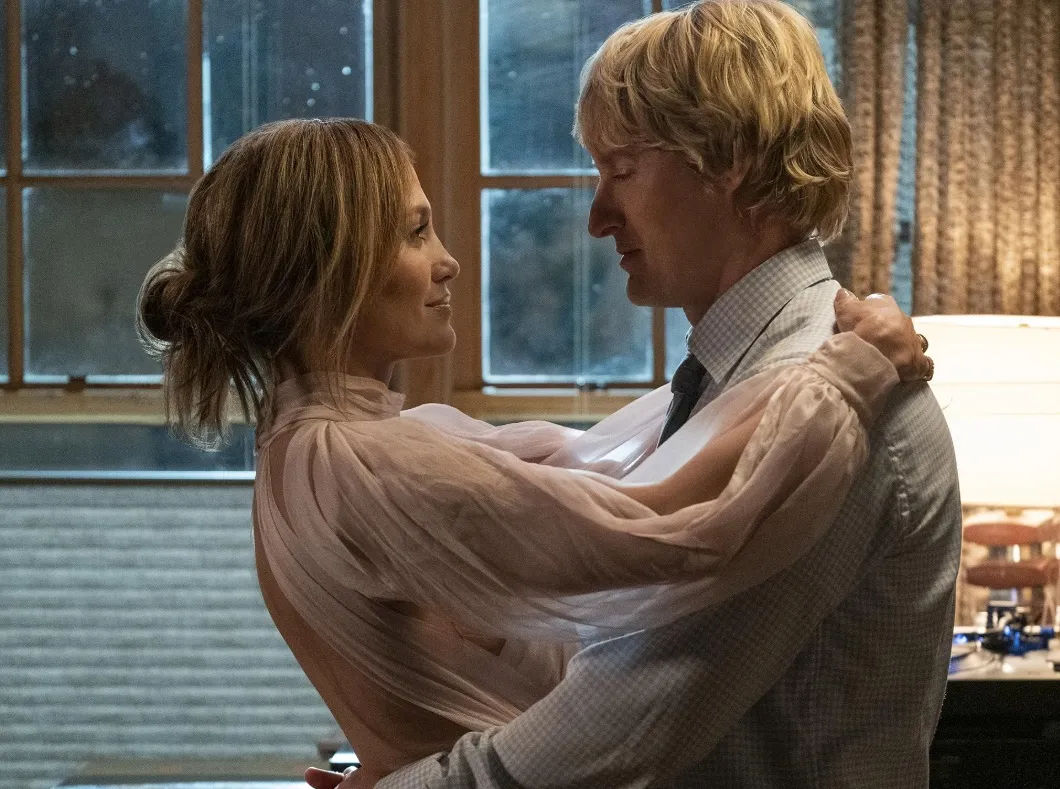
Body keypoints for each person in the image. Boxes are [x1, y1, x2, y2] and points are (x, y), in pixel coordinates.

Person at [136, 114, 932, 788]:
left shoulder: (306, 453)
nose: (447, 260)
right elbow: (659, 523)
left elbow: (604, 467)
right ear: (325, 271)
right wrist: (854, 373)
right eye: (415, 232)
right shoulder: (357, 462)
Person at [300, 2, 958, 788]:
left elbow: (627, 721)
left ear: (730, 160)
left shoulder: (826, 406)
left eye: (620, 171)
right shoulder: (744, 382)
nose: (596, 217)